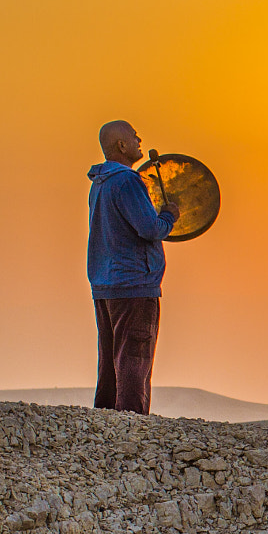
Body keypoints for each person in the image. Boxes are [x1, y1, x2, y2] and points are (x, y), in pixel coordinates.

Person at [86, 120, 178, 413]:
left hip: (105, 284)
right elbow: (150, 228)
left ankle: (105, 425)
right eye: (133, 136)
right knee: (134, 359)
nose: (139, 139)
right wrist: (169, 216)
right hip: (134, 285)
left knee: (111, 360)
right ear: (121, 146)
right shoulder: (127, 181)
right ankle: (131, 427)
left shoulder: (100, 184)